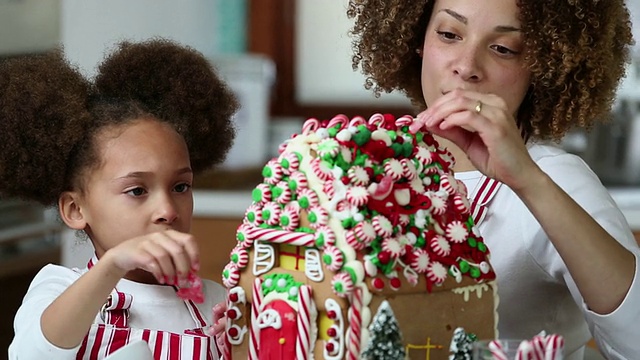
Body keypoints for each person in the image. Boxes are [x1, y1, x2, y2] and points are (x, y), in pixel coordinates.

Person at [346, 0, 640, 358]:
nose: (467, 66)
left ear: (543, 66)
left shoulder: (553, 178)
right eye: (449, 34)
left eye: (503, 49)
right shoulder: (371, 164)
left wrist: (528, 181)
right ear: (418, 39)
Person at [3, 39, 238, 359]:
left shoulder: (214, 301)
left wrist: (245, 346)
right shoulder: (58, 289)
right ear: (76, 209)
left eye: (180, 187)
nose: (168, 210)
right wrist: (114, 264)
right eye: (137, 191)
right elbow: (33, 354)